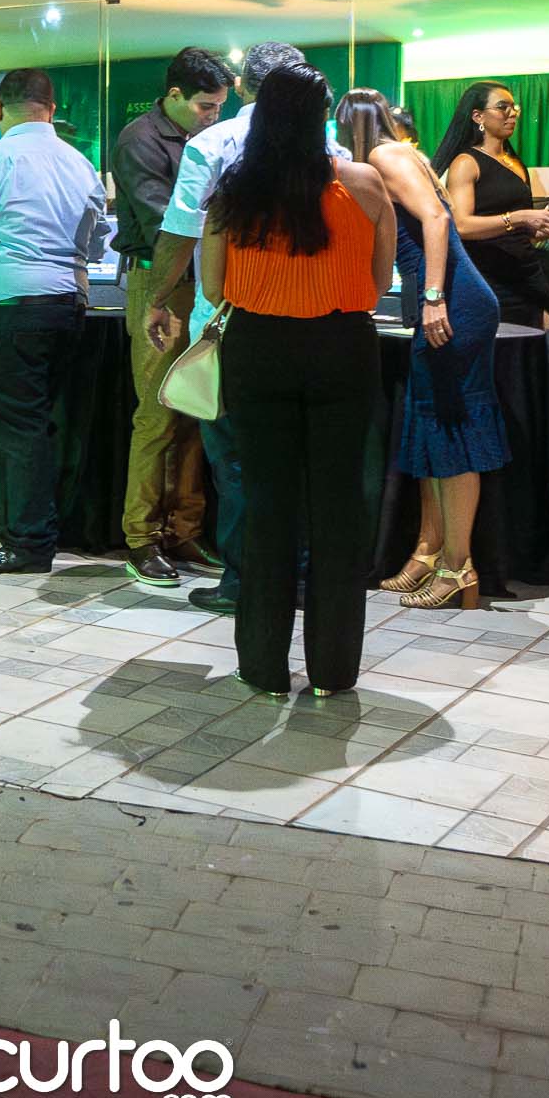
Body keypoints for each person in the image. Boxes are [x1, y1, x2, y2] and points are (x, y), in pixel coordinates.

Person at [201, 64, 395, 695]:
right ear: (322, 117)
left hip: (259, 348)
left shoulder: (235, 192)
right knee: (339, 508)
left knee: (267, 506)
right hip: (343, 346)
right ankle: (334, 670)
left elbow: (212, 287)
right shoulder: (364, 183)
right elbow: (379, 281)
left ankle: (262, 666)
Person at [144, 41, 329, 613]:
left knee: (237, 460)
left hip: (234, 317)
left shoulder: (214, 144)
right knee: (299, 457)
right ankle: (299, 577)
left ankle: (246, 581)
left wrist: (157, 299)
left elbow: (181, 231)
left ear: (245, 86)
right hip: (314, 320)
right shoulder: (328, 147)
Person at [0, 68, 115, 575]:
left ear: (0, 110)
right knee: (41, 426)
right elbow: (97, 243)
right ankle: (41, 532)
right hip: (66, 307)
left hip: (10, 311)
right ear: (51, 109)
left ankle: (28, 544)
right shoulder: (81, 164)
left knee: (20, 432)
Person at [341, 89, 507, 611]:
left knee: (453, 433)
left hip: (454, 302)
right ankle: (429, 553)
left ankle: (459, 568)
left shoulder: (384, 156)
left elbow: (437, 219)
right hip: (446, 300)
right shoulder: (397, 153)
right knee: (431, 430)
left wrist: (434, 298)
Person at [112, 48, 232, 587]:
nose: (213, 116)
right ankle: (141, 536)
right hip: (160, 283)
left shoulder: (207, 138)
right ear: (175, 95)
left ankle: (184, 529)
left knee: (196, 409)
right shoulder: (139, 139)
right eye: (206, 106)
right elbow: (165, 223)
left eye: (220, 107)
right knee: (158, 414)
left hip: (204, 282)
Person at [435, 83, 549, 328]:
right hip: (489, 277)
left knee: (544, 341)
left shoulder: (515, 163)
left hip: (526, 274)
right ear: (478, 116)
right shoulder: (466, 163)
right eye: (502, 107)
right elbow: (461, 225)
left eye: (513, 107)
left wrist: (540, 228)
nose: (512, 113)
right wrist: (518, 218)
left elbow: (515, 231)